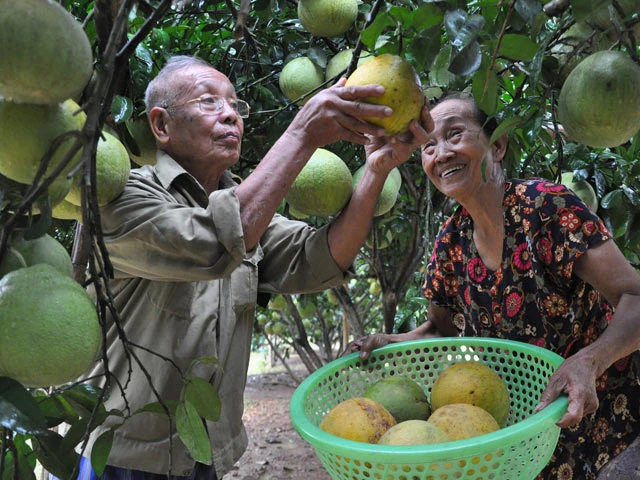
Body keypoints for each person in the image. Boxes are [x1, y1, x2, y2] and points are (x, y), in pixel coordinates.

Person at [60, 55, 429, 479]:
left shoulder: (250, 214)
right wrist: (303, 133)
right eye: (209, 102)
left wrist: (377, 168)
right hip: (122, 455)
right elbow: (214, 243)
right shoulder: (121, 197)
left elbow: (322, 259)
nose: (231, 114)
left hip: (205, 455)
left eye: (236, 105)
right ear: (160, 125)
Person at [346, 92, 640, 479]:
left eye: (455, 135)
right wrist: (392, 341)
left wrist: (590, 360)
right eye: (429, 145)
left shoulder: (545, 208)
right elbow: (439, 329)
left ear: (496, 145)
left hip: (609, 418)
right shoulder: (451, 241)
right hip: (530, 434)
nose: (442, 153)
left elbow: (634, 296)